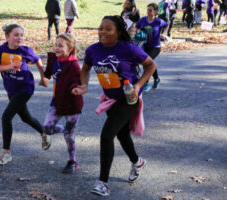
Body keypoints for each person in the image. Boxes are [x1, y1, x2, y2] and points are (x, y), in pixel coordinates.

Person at [72, 15, 157, 197]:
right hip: (110, 98)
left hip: (129, 98)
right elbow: (85, 68)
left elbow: (151, 65)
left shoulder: (129, 48)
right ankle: (137, 162)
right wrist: (84, 85)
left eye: (108, 29)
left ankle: (103, 183)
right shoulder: (94, 50)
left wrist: (138, 85)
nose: (103, 32)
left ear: (118, 32)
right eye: (101, 28)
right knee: (122, 134)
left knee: (106, 135)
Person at [0, 24, 51, 166]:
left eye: (21, 35)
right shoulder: (1, 50)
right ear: (7, 37)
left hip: (25, 88)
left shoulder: (25, 50)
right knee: (25, 117)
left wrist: (43, 77)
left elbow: (37, 60)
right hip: (11, 89)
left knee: (6, 117)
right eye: (16, 35)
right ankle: (44, 133)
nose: (19, 38)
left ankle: (6, 153)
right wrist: (8, 67)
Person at [42, 33, 83, 174]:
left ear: (70, 48)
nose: (57, 48)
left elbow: (78, 82)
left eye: (61, 46)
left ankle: (72, 161)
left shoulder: (74, 66)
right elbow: (48, 73)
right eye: (56, 45)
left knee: (69, 137)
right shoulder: (54, 59)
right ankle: (63, 129)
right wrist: (44, 78)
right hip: (56, 102)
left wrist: (75, 89)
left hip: (72, 105)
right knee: (47, 128)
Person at [136, 3, 168, 91]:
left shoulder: (158, 21)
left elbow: (166, 25)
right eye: (147, 10)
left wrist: (164, 34)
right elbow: (136, 27)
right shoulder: (142, 20)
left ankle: (145, 83)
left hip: (155, 46)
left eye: (150, 10)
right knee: (148, 63)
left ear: (156, 11)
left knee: (147, 62)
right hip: (144, 46)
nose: (148, 12)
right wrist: (139, 33)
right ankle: (157, 79)